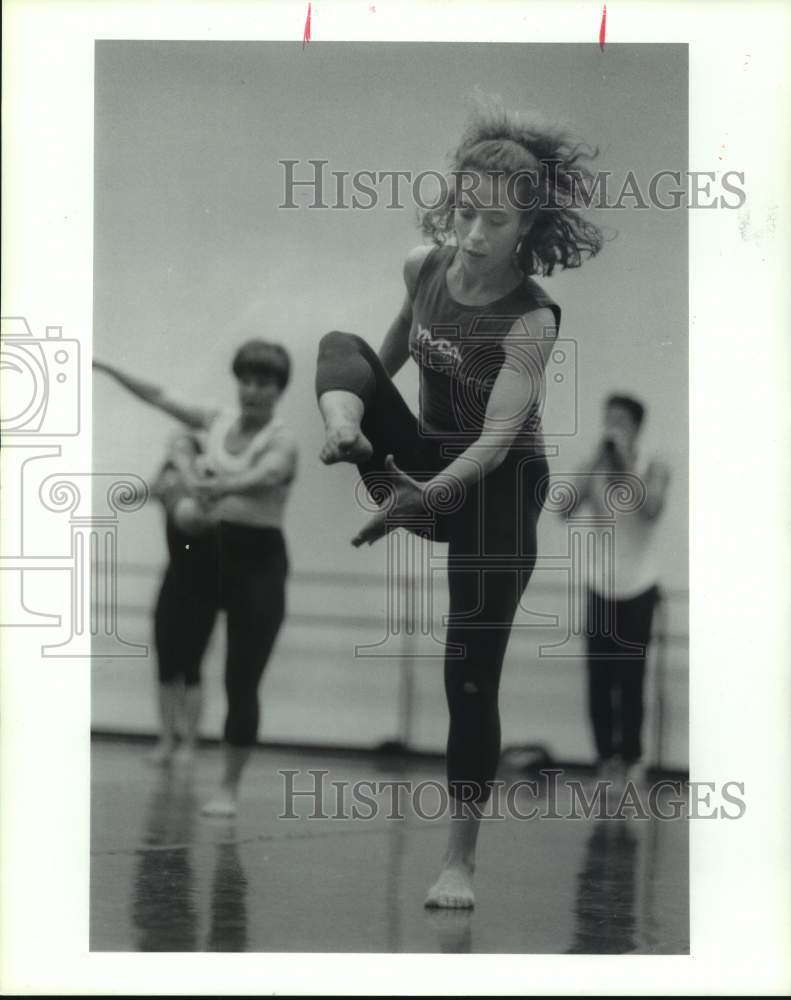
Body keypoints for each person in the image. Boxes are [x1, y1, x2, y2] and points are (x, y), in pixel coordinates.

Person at [314, 107, 603, 908]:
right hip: (426, 460)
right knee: (342, 345)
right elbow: (389, 348)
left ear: (527, 226)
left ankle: (458, 864)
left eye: (496, 220)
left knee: (467, 676)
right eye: (465, 211)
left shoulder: (531, 319)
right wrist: (358, 414)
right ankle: (345, 442)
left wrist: (419, 497)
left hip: (499, 489)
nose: (475, 233)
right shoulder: (424, 266)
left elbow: (496, 443)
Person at [93, 340, 297, 816]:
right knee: (177, 650)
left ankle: (228, 785)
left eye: (263, 383)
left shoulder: (281, 439)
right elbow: (159, 394)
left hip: (259, 561)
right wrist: (103, 363)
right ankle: (172, 741)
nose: (252, 391)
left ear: (278, 390)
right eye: (246, 381)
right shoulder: (216, 419)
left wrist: (218, 486)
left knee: (241, 679)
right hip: (212, 557)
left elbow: (270, 473)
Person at [565, 394, 671, 787]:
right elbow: (564, 508)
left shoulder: (653, 467)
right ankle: (604, 759)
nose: (612, 427)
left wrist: (626, 463)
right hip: (600, 585)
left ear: (637, 428)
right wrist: (596, 464)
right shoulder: (595, 468)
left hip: (639, 586)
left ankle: (631, 759)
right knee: (598, 678)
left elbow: (652, 509)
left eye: (621, 422)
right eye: (607, 419)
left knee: (631, 676)